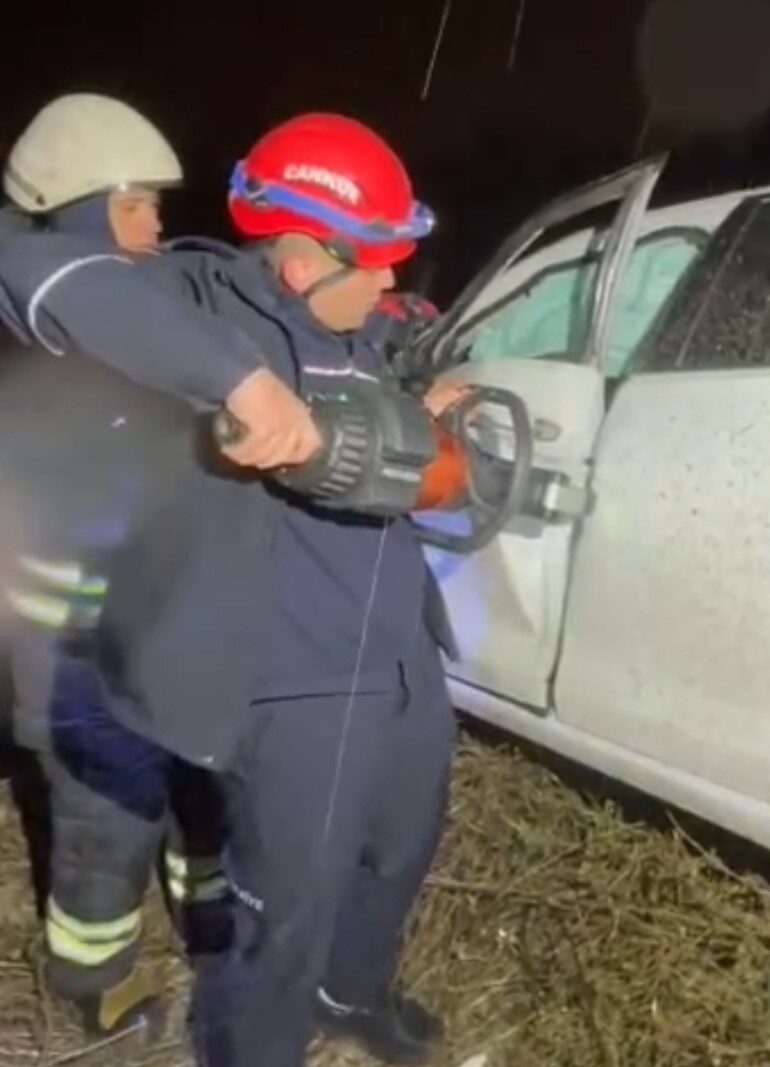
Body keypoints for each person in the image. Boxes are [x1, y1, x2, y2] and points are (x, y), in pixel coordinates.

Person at [1, 106, 461, 1067]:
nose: (390, 281)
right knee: (286, 908)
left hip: (403, 652)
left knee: (396, 852)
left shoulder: (362, 324)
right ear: (299, 259)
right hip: (301, 678)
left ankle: (352, 993)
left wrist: (420, 417)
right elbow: (28, 266)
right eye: (373, 258)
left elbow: (375, 415)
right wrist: (236, 381)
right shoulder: (201, 297)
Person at [0, 94, 322, 1038]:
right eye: (139, 204)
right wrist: (242, 381)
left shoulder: (138, 288)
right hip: (72, 640)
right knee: (112, 806)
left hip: (151, 620)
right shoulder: (35, 274)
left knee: (198, 773)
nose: (157, 224)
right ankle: (88, 971)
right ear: (87, 203)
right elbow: (92, 293)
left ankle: (206, 915)